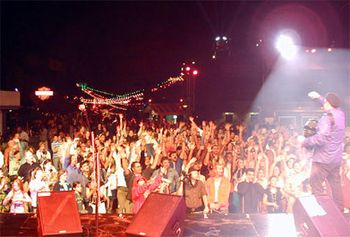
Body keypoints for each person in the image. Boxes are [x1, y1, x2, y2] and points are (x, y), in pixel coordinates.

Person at [302, 91, 345, 211]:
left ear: (328, 104)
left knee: (315, 184)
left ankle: (324, 211)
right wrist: (319, 97)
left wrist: (305, 141)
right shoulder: (341, 114)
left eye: (325, 102)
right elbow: (330, 104)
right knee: (336, 187)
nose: (323, 104)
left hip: (322, 160)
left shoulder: (326, 119)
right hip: (335, 160)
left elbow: (321, 138)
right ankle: (339, 213)